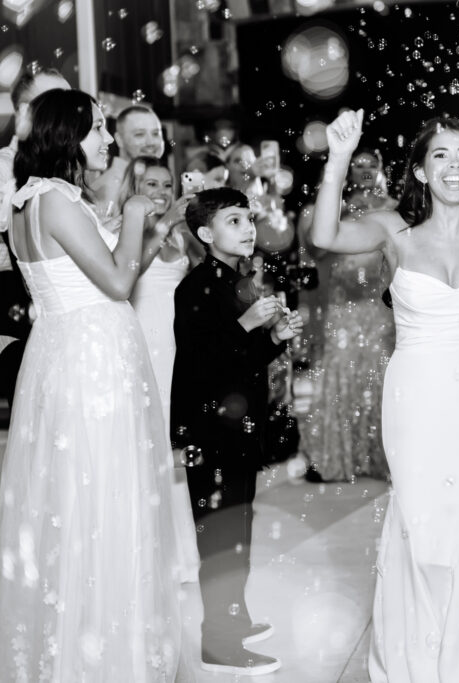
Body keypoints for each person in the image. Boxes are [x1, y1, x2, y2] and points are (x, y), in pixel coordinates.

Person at [310, 110, 459, 681]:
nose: (453, 165)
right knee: (421, 518)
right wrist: (340, 157)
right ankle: (422, 643)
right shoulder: (393, 231)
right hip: (415, 390)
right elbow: (324, 236)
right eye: (440, 155)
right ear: (420, 172)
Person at [0, 88, 184, 680]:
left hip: (69, 353)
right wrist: (131, 218)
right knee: (102, 498)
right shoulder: (55, 201)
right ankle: (103, 655)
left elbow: (122, 271)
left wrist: (155, 230)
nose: (106, 140)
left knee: (81, 499)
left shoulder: (34, 200)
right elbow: (114, 281)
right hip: (92, 364)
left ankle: (82, 638)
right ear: (65, 135)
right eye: (97, 128)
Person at [171, 187, 302, 675]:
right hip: (211, 435)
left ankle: (235, 618)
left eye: (249, 219)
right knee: (221, 540)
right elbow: (200, 365)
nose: (248, 228)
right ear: (206, 234)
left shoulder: (235, 281)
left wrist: (272, 340)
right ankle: (219, 643)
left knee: (237, 532)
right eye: (233, 221)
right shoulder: (196, 287)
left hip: (235, 430)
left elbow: (239, 364)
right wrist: (248, 324)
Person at [117, 156, 203, 583]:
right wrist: (163, 223)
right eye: (150, 183)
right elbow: (125, 281)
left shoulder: (178, 235)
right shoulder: (127, 229)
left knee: (176, 451)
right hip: (144, 348)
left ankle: (180, 553)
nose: (162, 192)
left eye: (167, 184)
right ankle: (146, 553)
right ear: (132, 186)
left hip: (176, 349)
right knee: (148, 445)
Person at [298, 146, 396, 482]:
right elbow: (315, 249)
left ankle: (382, 457)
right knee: (339, 377)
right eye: (358, 166)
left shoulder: (393, 211)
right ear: (349, 172)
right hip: (342, 306)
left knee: (379, 379)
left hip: (377, 308)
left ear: (381, 169)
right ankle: (339, 458)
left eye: (372, 164)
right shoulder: (335, 208)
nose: (365, 170)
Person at [0, 68, 70, 412]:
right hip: (19, 314)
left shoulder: (68, 171)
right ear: (26, 113)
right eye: (58, 104)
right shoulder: (3, 171)